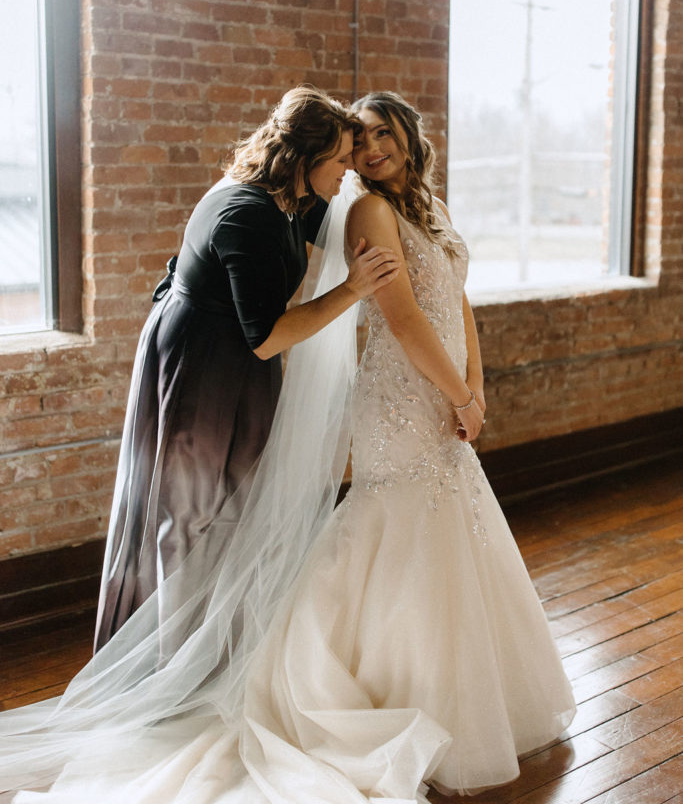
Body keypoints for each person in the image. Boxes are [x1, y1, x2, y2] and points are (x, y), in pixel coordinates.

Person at [0, 93, 574, 802]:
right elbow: (352, 321)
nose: (360, 158)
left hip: (417, 388)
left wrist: (474, 386)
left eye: (374, 138)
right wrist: (456, 392)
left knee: (432, 525)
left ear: (407, 135)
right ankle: (178, 673)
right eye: (347, 149)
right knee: (202, 518)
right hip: (349, 388)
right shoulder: (326, 210)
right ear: (314, 160)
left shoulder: (352, 202)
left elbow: (454, 300)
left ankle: (219, 658)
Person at [94, 85, 399, 649]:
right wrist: (354, 290)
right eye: (339, 162)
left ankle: (215, 647)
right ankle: (171, 664)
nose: (347, 172)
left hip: (232, 360)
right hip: (202, 364)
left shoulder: (291, 197)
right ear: (303, 160)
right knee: (188, 513)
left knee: (231, 506)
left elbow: (340, 227)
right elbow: (267, 338)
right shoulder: (249, 213)